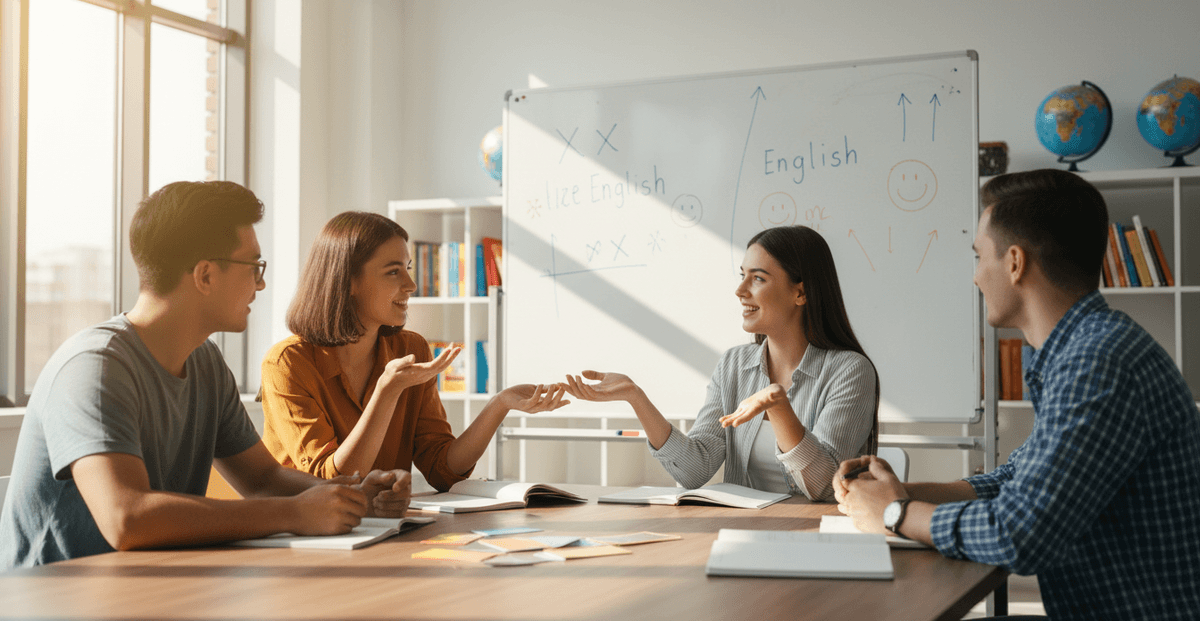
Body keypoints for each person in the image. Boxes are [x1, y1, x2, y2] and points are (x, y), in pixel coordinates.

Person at [835, 169, 1200, 620]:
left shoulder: (1098, 361)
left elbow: (1023, 533)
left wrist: (896, 514)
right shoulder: (1085, 348)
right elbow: (1014, 481)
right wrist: (898, 492)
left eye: (978, 257)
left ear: (1014, 262)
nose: (974, 278)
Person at [0, 182, 411, 568]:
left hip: (152, 588)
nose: (262, 283)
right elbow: (126, 518)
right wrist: (292, 512)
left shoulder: (206, 362)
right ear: (206, 275)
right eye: (253, 266)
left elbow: (263, 479)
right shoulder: (95, 366)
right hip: (57, 600)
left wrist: (351, 496)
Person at [564, 225, 878, 501]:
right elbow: (694, 470)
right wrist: (636, 397)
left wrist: (779, 407)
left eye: (758, 278)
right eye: (743, 276)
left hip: (818, 539)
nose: (740, 291)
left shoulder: (850, 371)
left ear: (800, 292)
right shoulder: (733, 365)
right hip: (743, 531)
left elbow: (824, 486)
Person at [259, 212, 567, 490]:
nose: (411, 284)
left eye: (407, 268)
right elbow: (330, 482)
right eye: (394, 272)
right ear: (348, 280)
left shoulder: (410, 349)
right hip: (303, 538)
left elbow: (441, 469)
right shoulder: (287, 364)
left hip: (377, 529)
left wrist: (499, 405)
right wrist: (387, 392)